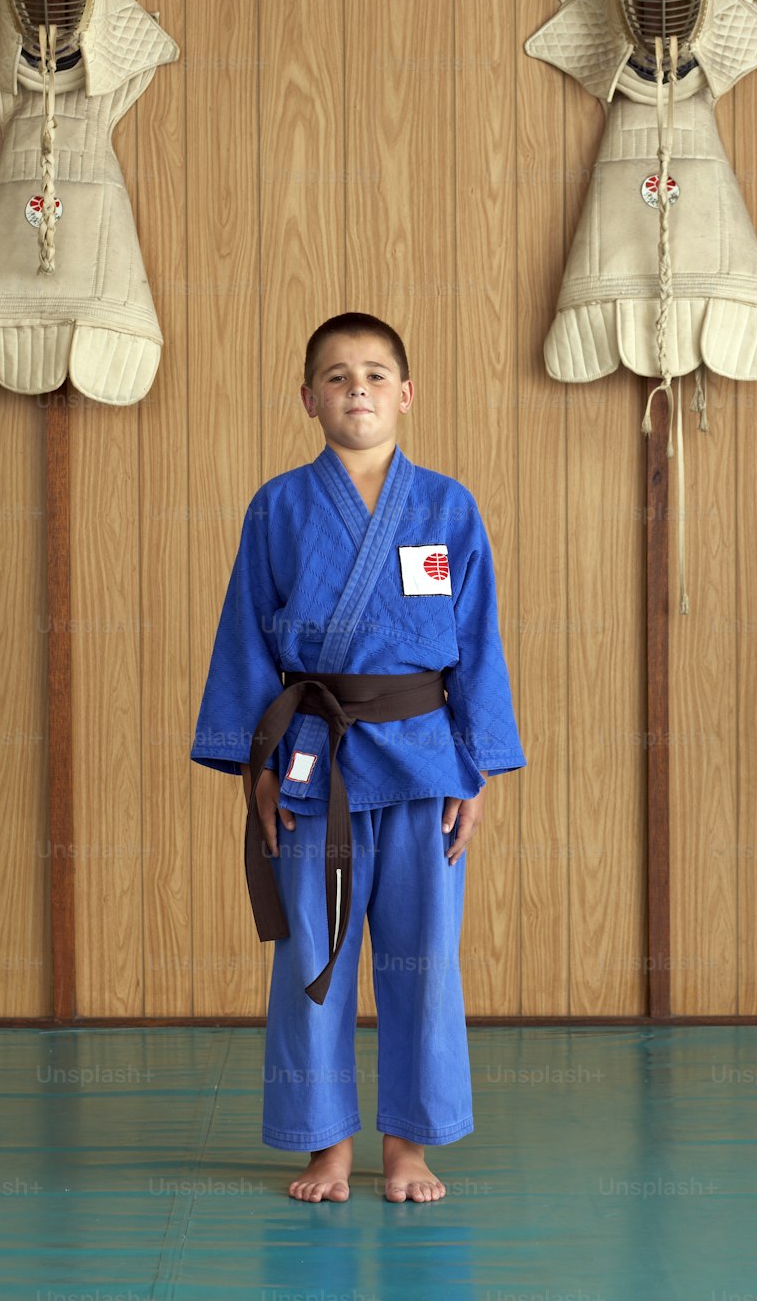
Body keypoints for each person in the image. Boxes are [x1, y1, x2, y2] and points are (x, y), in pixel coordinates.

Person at [190, 311, 525, 1203]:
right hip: (312, 760)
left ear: (406, 395)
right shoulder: (279, 507)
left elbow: (478, 644)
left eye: (376, 375)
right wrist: (255, 770)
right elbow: (244, 644)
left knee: (424, 958)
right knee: (312, 957)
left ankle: (409, 1146)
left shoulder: (448, 507)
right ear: (309, 399)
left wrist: (476, 767)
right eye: (337, 377)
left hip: (422, 761)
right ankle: (324, 1144)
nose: (358, 390)